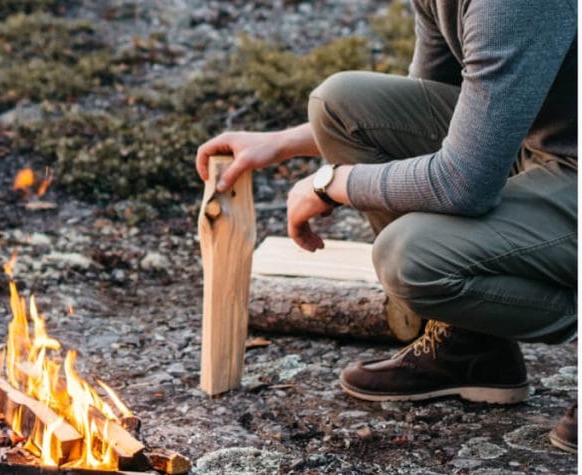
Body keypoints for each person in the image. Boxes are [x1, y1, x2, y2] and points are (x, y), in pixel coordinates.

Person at [195, 0, 577, 451]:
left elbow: (462, 182)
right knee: (341, 106)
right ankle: (472, 347)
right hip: (542, 148)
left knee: (410, 257)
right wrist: (282, 144)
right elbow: (437, 103)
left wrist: (330, 184)